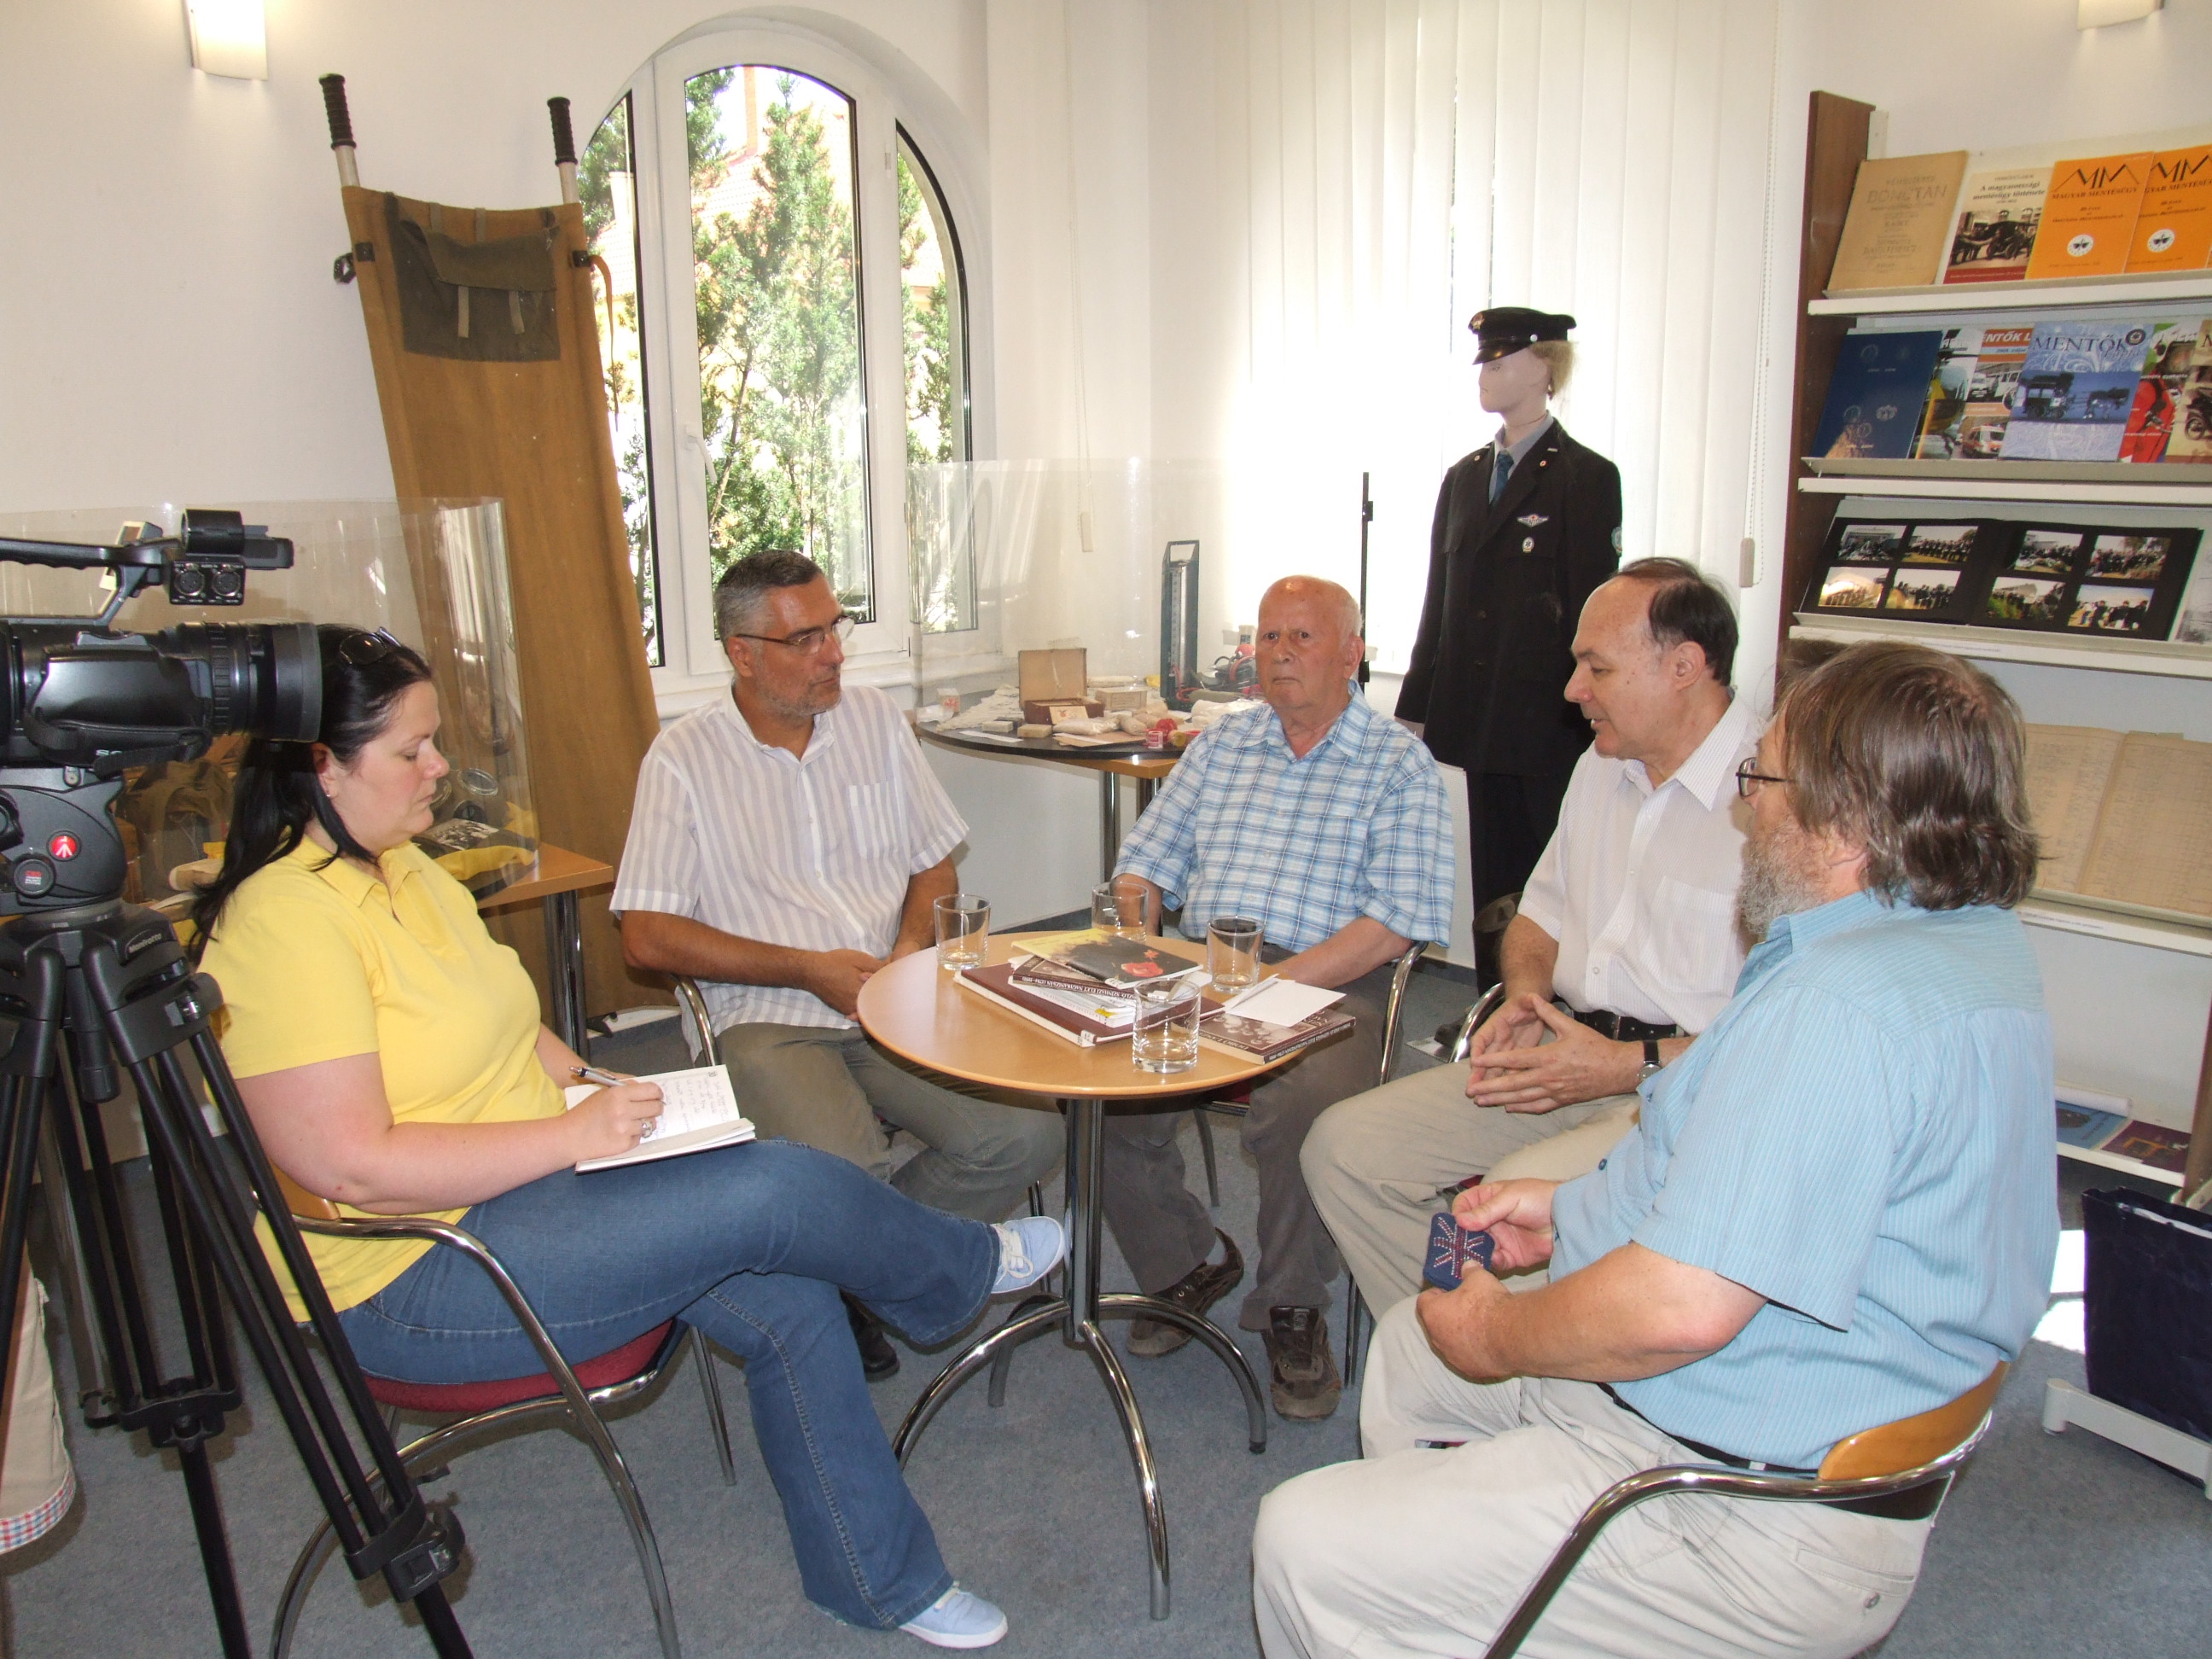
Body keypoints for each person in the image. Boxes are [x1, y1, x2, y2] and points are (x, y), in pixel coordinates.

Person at [195, 626, 1067, 1650]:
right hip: (413, 1275)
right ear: (322, 766)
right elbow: (356, 1169)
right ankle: (958, 1270)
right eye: (411, 750)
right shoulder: (282, 923)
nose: (438, 768)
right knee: (772, 1191)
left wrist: (597, 1087)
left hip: (524, 1192)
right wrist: (573, 1137)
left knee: (789, 1288)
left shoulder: (403, 868)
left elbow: (512, 1025)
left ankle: (879, 1585)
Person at [1252, 640, 2057, 1659]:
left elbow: (1680, 1310)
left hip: (1745, 1509)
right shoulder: (1967, 945)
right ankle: (1465, 1600)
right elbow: (1754, 1167)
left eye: (1765, 781)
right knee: (1414, 1348)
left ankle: (1451, 1583)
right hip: (1796, 1403)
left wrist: (1502, 1335)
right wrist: (1573, 1210)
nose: (1748, 809)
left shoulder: (1836, 1009)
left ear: (1847, 817)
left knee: (1302, 1538)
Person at [614, 550, 1062, 1379]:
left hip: (889, 998)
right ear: (743, 653)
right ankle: (898, 1263)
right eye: (806, 639)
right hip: (765, 1018)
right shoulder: (682, 760)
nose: (833, 654)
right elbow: (645, 935)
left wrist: (906, 953)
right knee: (846, 1173)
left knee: (1028, 1133)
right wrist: (804, 969)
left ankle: (858, 1278)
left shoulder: (875, 722)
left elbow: (935, 865)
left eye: (835, 628)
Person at [1304, 559, 1756, 1310]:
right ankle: (1458, 1353)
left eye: (1596, 668)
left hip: (1692, 1092)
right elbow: (1538, 916)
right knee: (1343, 1151)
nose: (1573, 690)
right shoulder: (1602, 766)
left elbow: (1784, 1035)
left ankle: (1505, 1348)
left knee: (1513, 1202)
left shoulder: (1779, 799)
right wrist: (1524, 997)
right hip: (1562, 1051)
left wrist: (1626, 1065)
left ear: (1684, 667)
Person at [1102, 578, 1452, 1421]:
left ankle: (1292, 1304)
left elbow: (1395, 924)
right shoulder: (1222, 745)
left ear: (1351, 654)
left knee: (1303, 1107)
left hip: (1337, 978)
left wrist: (1270, 987)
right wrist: (1142, 939)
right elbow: (1144, 863)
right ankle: (1184, 1264)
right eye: (1268, 637)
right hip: (1207, 965)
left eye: (1302, 637)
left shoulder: (1398, 763)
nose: (1280, 654)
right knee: (1095, 1074)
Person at [1397, 307, 1623, 966]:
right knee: (1493, 877)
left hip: (1548, 720)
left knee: (1550, 881)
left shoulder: (1586, 477)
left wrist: (1595, 704)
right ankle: (1493, 1004)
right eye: (1484, 364)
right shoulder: (1465, 477)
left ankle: (1545, 1006)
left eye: (1500, 363)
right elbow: (1439, 600)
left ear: (1544, 367)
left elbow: (1593, 612)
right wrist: (1418, 700)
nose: (1485, 376)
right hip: (1480, 714)